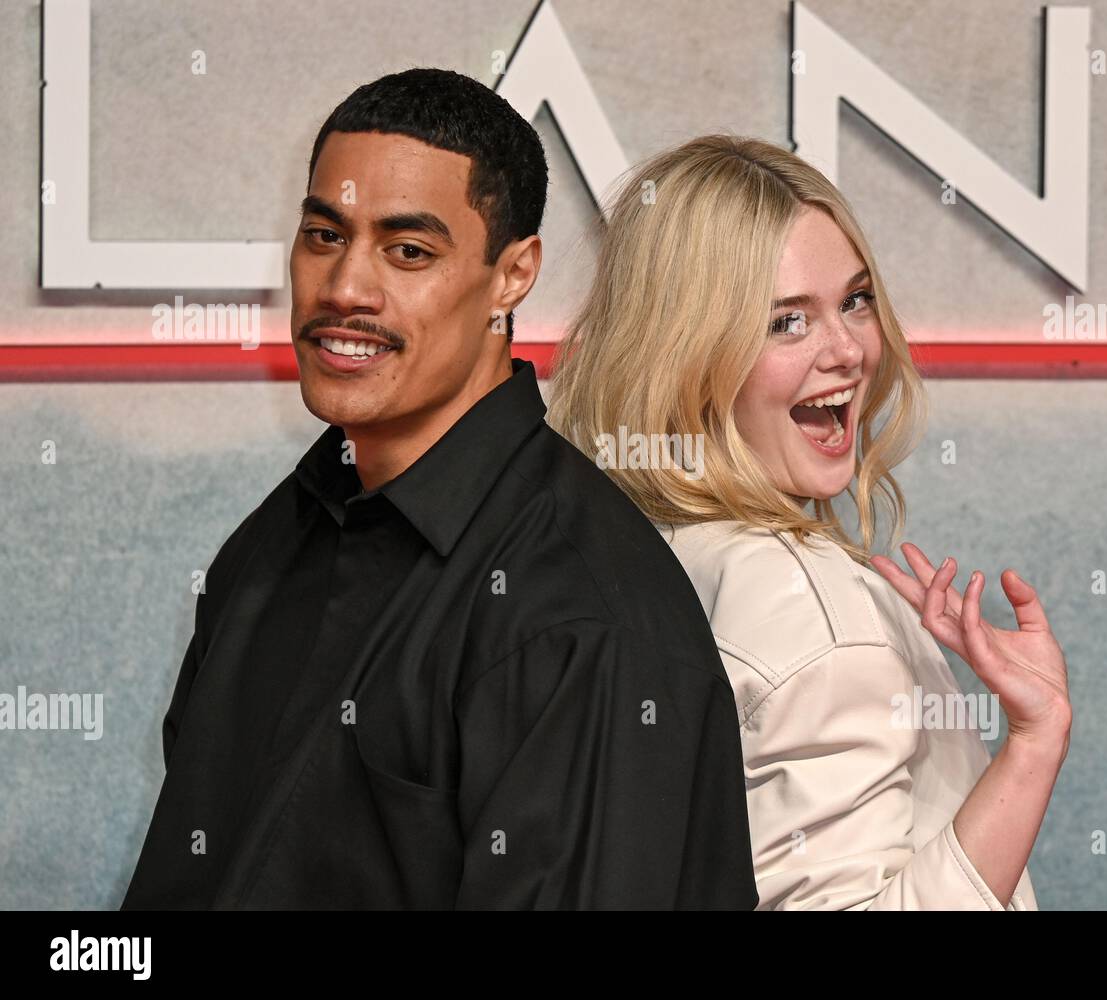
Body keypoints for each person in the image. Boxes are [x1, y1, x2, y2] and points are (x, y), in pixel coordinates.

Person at [121, 72, 758, 910]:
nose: (345, 288)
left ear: (512, 275)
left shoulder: (578, 620)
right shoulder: (268, 545)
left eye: (408, 251)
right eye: (323, 234)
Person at [547, 135, 1072, 910]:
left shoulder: (619, 556)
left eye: (855, 301)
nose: (849, 350)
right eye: (786, 322)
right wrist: (1034, 744)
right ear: (687, 354)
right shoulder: (804, 600)